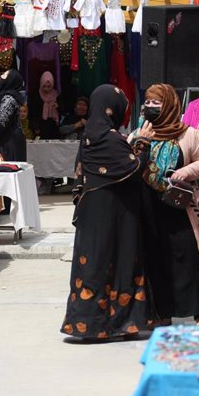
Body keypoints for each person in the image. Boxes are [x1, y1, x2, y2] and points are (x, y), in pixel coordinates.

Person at [61, 84, 154, 342]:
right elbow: (132, 169)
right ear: (112, 108)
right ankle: (121, 323)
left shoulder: (90, 135)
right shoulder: (111, 139)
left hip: (92, 214)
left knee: (93, 263)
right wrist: (143, 144)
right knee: (121, 261)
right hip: (116, 215)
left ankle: (88, 323)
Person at [132, 83, 199, 327]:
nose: (150, 107)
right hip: (148, 206)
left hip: (178, 206)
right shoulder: (140, 132)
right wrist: (139, 142)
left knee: (187, 256)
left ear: (168, 104)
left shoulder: (187, 134)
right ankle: (162, 313)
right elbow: (130, 164)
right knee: (156, 258)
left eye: (156, 103)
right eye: (147, 102)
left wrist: (185, 172)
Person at [31, 71, 61, 140]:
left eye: (49, 86)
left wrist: (57, 106)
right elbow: (33, 112)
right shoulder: (36, 95)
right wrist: (35, 127)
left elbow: (62, 110)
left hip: (53, 128)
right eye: (44, 86)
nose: (46, 89)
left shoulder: (56, 95)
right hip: (41, 127)